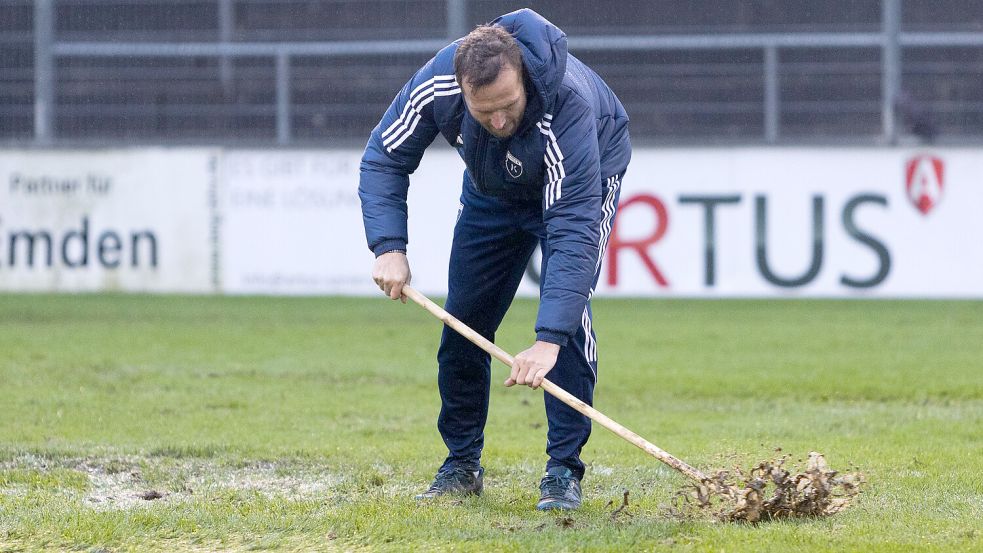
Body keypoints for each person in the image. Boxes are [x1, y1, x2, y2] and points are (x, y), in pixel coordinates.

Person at [358, 8, 630, 511]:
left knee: (568, 321)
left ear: (523, 77)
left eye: (508, 105)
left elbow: (573, 232)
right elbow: (384, 157)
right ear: (462, 90)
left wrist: (548, 339)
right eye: (485, 113)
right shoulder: (437, 83)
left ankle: (563, 469)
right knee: (464, 319)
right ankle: (461, 463)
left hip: (581, 180)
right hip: (492, 189)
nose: (500, 121)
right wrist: (388, 246)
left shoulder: (567, 105)